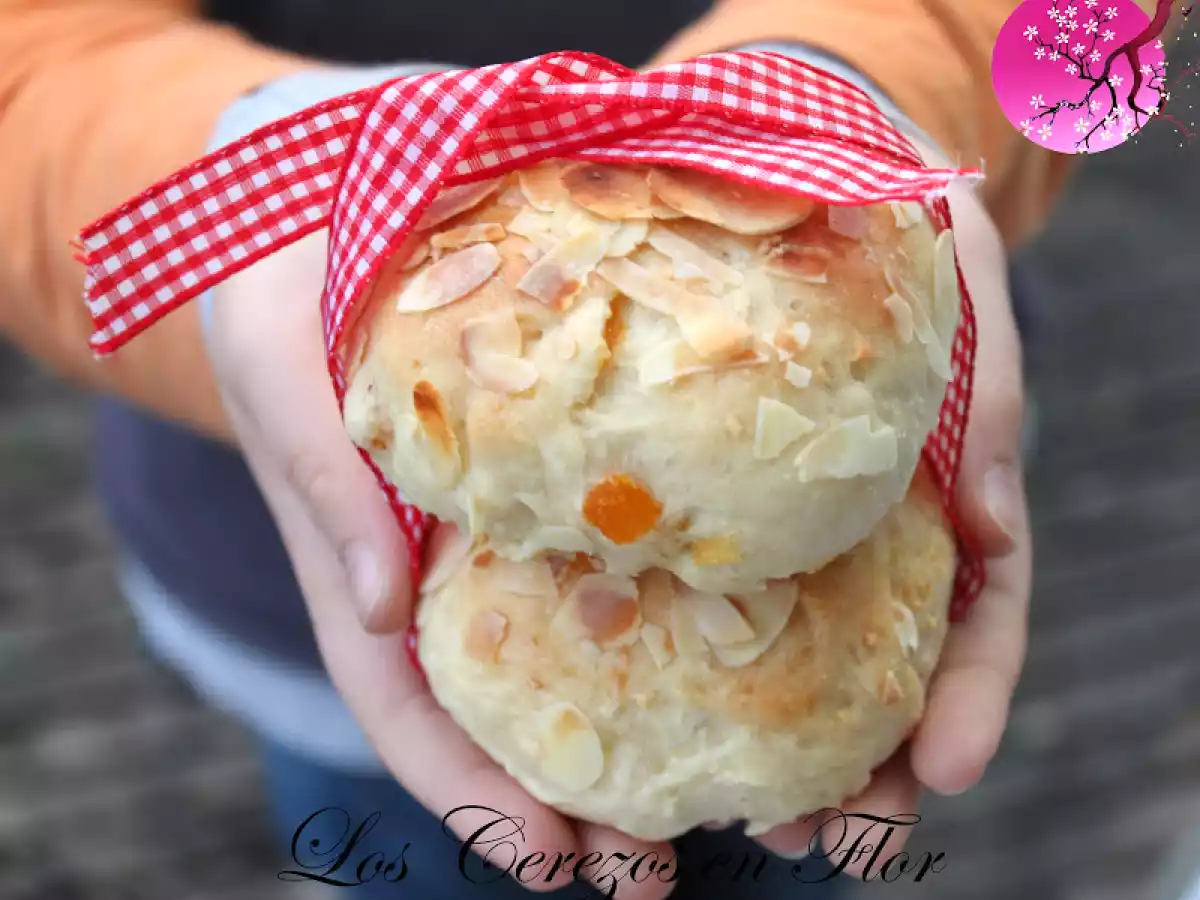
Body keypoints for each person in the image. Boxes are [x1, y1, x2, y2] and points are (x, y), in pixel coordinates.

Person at [2, 0, 1124, 894]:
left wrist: (883, 66)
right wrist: (255, 183)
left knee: (802, 863)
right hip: (297, 584)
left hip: (881, 501)